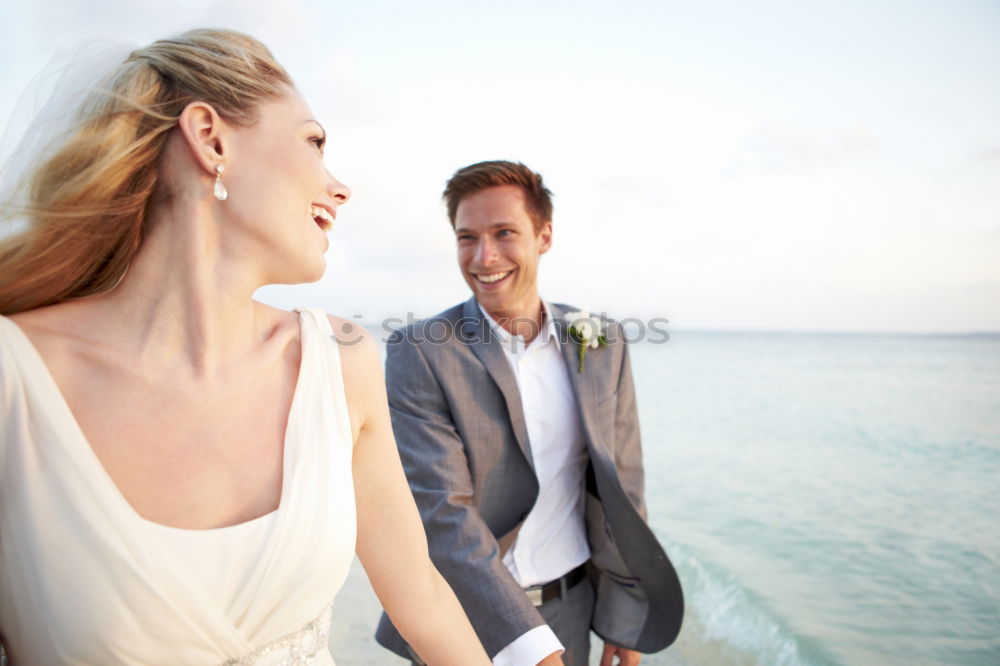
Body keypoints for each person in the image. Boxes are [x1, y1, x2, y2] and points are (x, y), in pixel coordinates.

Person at [0, 29, 490, 665]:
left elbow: (420, 595)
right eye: (314, 142)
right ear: (210, 138)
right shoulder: (17, 379)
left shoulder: (341, 362)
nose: (339, 187)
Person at [374, 160, 684, 666]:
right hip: (463, 621)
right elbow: (442, 512)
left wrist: (626, 616)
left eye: (504, 233)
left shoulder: (600, 338)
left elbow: (623, 483)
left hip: (573, 609)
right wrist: (531, 651)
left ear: (544, 235)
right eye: (466, 237)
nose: (484, 256)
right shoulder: (421, 350)